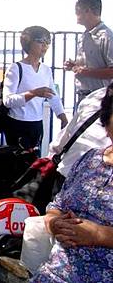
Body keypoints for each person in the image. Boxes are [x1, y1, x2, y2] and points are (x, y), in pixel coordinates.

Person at [31, 83, 113, 283]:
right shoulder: (90, 159)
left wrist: (98, 234)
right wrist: (56, 224)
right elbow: (56, 207)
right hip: (53, 274)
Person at [3, 26, 68, 150]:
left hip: (37, 123)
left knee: (33, 162)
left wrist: (63, 118)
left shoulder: (46, 70)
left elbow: (53, 96)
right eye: (40, 41)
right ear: (28, 43)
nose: (45, 46)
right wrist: (33, 93)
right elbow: (8, 101)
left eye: (47, 42)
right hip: (17, 123)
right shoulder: (16, 68)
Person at [64, 0, 113, 106]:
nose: (74, 13)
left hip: (99, 99)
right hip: (83, 96)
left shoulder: (106, 36)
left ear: (87, 10)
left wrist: (83, 71)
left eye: (77, 9)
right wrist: (74, 66)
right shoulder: (85, 35)